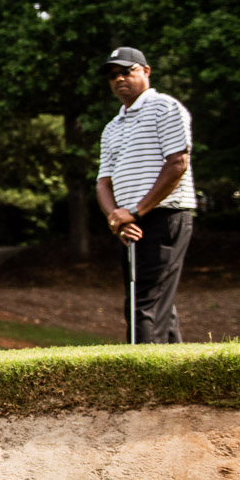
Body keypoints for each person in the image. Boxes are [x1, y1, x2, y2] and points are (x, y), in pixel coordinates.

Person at [94, 46, 195, 343]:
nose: (119, 79)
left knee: (143, 304)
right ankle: (175, 369)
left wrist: (136, 211)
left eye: (127, 71)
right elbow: (103, 183)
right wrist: (117, 219)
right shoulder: (112, 127)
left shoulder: (165, 108)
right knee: (157, 305)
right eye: (113, 75)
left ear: (146, 71)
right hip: (130, 222)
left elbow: (177, 163)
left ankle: (140, 371)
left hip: (164, 216)